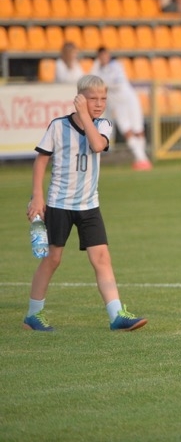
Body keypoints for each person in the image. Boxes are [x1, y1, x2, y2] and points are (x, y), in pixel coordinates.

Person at [23, 74, 148, 332]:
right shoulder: (58, 126)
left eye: (103, 98)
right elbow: (41, 160)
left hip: (89, 205)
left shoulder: (103, 125)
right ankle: (33, 316)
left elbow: (96, 144)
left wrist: (87, 117)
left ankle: (117, 316)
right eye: (93, 98)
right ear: (79, 98)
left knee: (102, 257)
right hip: (59, 203)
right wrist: (37, 195)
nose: (100, 103)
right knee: (52, 259)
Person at [91, 47, 152, 171]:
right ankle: (142, 159)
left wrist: (103, 83)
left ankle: (142, 158)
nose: (103, 58)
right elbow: (92, 78)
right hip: (117, 104)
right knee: (126, 130)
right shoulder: (98, 70)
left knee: (138, 128)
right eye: (101, 56)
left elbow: (116, 83)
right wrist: (96, 65)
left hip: (129, 99)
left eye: (105, 55)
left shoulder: (117, 66)